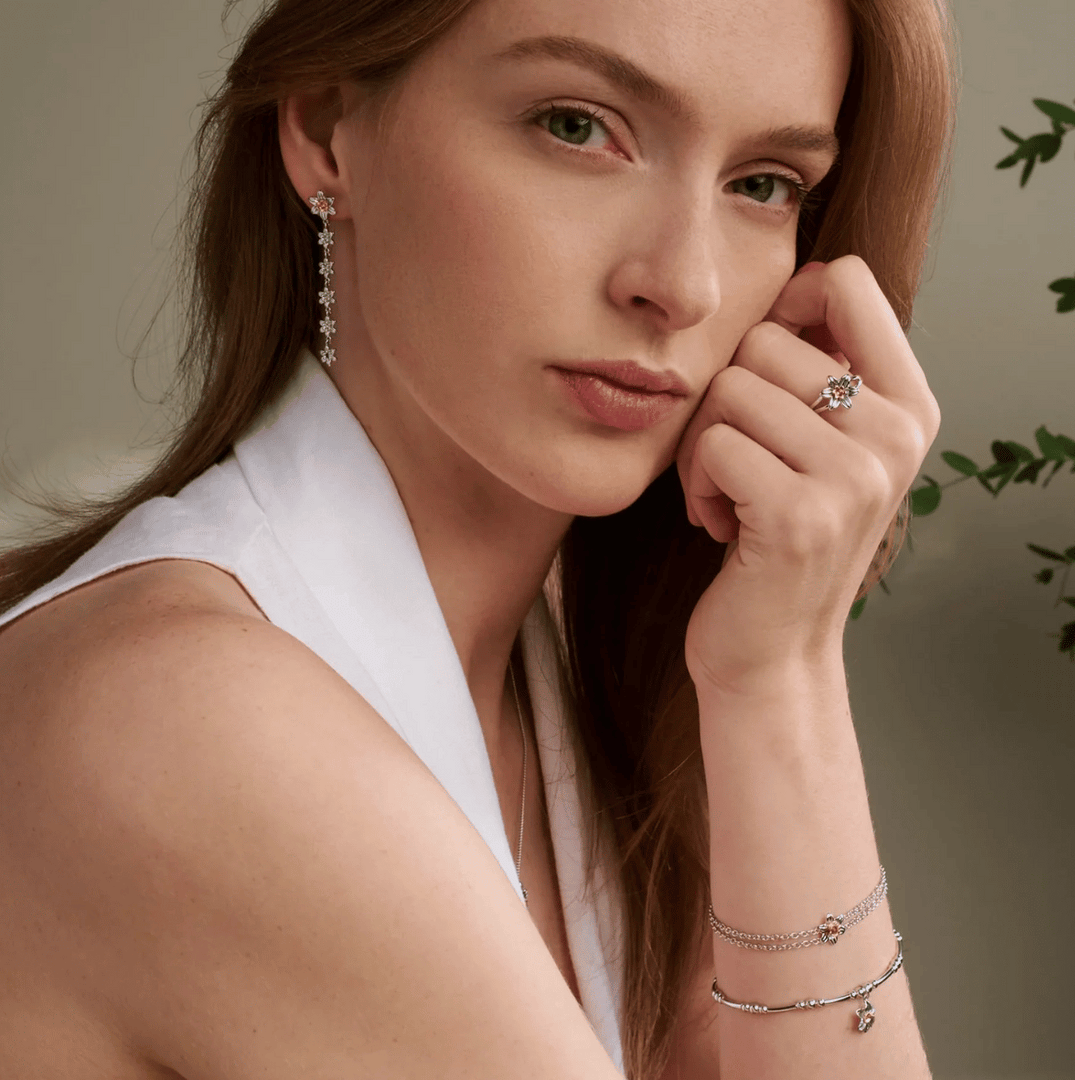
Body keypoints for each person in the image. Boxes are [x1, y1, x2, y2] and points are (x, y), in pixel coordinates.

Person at [0, 0, 956, 1076]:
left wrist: (772, 672)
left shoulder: (572, 698)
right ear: (325, 129)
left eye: (765, 184)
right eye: (576, 126)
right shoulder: (189, 717)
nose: (682, 285)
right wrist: (784, 678)